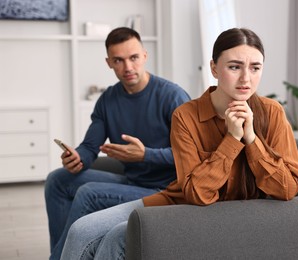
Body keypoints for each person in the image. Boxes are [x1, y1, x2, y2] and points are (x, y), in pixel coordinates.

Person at [60, 27, 298, 260]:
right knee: (83, 229)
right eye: (234, 67)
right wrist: (231, 138)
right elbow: (192, 191)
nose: (245, 78)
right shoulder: (186, 115)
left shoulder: (272, 113)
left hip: (218, 213)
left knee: (117, 237)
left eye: (255, 67)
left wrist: (247, 138)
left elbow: (287, 187)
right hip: (179, 200)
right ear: (214, 69)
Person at [45, 27, 191, 260]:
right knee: (57, 180)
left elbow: (192, 156)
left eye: (133, 58)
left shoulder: (172, 96)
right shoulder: (108, 100)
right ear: (108, 62)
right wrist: (77, 157)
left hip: (165, 189)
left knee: (89, 192)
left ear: (144, 55)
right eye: (118, 60)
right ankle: (61, 254)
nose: (128, 67)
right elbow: (90, 147)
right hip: (132, 181)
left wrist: (145, 155)